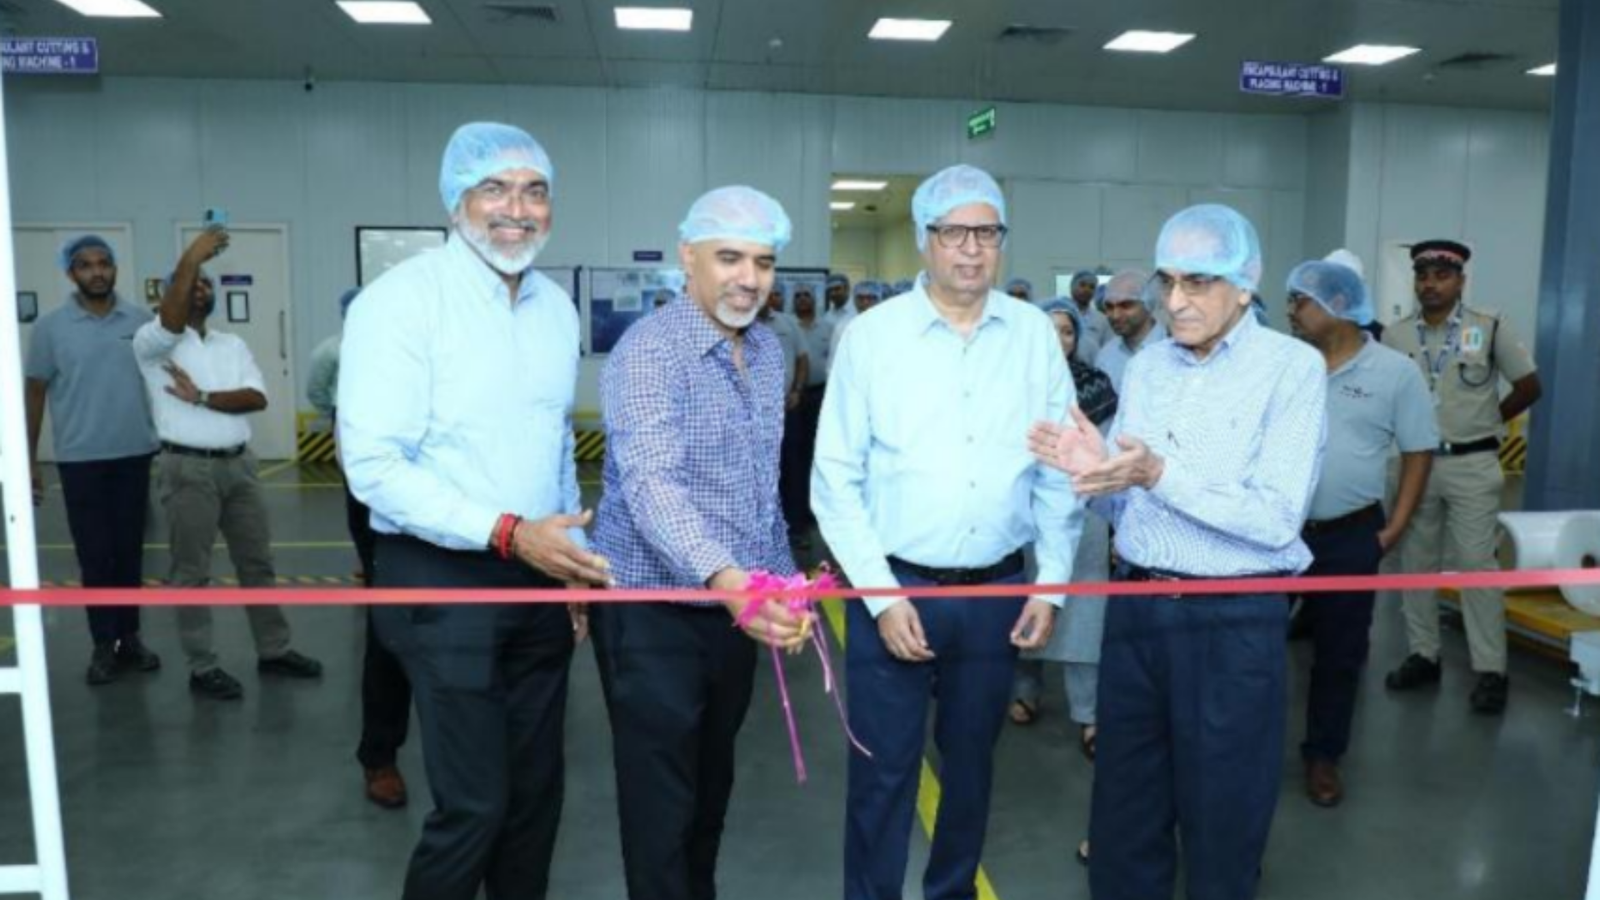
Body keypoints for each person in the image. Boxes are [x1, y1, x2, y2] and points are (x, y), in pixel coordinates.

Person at [340, 122, 606, 900]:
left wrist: (568, 561)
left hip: (538, 576)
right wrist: (507, 532)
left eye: (535, 190)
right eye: (495, 188)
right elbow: (375, 467)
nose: (516, 209)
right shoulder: (402, 304)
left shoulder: (556, 309)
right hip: (442, 581)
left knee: (535, 801)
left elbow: (553, 436)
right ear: (457, 201)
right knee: (476, 806)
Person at [1031, 204, 1326, 900]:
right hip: (1135, 613)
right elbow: (1129, 503)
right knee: (1125, 808)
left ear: (1245, 285)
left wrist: (1156, 472)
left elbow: (1278, 517)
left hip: (1231, 621)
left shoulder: (1291, 369)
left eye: (1198, 282)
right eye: (1168, 281)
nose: (1175, 301)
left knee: (1224, 816)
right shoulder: (1150, 368)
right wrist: (1093, 469)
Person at [813, 164, 1079, 900]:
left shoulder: (1031, 336)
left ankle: (951, 891)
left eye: (986, 232)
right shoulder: (872, 338)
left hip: (997, 592)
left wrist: (1050, 586)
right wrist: (880, 596)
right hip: (895, 590)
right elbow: (833, 480)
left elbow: (1058, 472)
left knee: (971, 768)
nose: (971, 249)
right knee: (883, 771)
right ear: (925, 240)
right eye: (954, 232)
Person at [591, 185, 812, 900]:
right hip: (653, 615)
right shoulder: (650, 352)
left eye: (764, 262)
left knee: (711, 790)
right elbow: (653, 485)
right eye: (730, 258)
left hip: (733, 609)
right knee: (661, 807)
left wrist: (779, 589)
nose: (749, 278)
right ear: (688, 258)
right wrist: (730, 581)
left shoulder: (770, 352)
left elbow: (760, 492)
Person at [133, 230, 323, 701]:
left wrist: (200, 396)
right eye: (191, 282)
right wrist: (190, 258)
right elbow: (172, 320)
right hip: (187, 470)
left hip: (240, 468)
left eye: (205, 282)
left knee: (257, 562)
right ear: (171, 291)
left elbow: (255, 398)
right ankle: (203, 665)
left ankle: (274, 650)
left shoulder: (231, 345)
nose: (201, 288)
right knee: (191, 571)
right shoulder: (152, 343)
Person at [1286, 259, 1436, 807]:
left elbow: (1421, 450)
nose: (1290, 311)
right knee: (1250, 641)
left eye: (1300, 300)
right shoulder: (1286, 365)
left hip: (1350, 535)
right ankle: (1241, 747)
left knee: (1340, 650)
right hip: (1275, 533)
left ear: (1338, 306)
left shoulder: (1396, 373)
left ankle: (1323, 754)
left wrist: (1394, 526)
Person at [1381, 239, 1542, 714]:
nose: (1430, 284)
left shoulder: (1488, 327)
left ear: (1460, 281)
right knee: (1416, 564)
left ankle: (1491, 670)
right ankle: (1423, 654)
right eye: (1422, 275)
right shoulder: (1395, 336)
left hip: (1472, 464)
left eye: (1441, 276)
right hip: (1415, 464)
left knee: (1476, 567)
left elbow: (1530, 385)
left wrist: (1490, 422)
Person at [25, 234, 161, 684]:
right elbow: (35, 392)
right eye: (85, 265)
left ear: (115, 269)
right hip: (81, 460)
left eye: (104, 263)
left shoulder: (140, 321)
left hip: (134, 455)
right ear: (70, 273)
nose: (96, 271)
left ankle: (130, 637)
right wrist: (28, 462)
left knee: (129, 554)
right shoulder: (50, 328)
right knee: (95, 556)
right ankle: (103, 643)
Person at [307, 286, 413, 810]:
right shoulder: (355, 368)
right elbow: (364, 465)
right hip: (388, 515)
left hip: (470, 517)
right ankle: (380, 756)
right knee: (391, 633)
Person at [760, 283, 812, 537]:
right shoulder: (737, 324)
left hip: (787, 410)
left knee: (793, 468)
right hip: (752, 416)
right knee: (758, 472)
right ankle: (764, 532)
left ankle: (797, 529)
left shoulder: (788, 322)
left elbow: (803, 359)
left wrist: (797, 391)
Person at [1095, 269, 1164, 392]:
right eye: (1109, 307)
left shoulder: (1175, 349)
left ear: (1148, 304)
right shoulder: (1106, 356)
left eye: (1126, 305)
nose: (1115, 315)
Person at [828, 279, 884, 362]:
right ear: (854, 300)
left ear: (879, 300)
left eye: (870, 298)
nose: (865, 302)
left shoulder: (888, 325)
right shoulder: (843, 327)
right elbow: (833, 361)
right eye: (861, 298)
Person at [1067, 269, 1112, 360]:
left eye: (1092, 287)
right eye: (1082, 285)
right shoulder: (1062, 315)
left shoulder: (1102, 320)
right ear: (1072, 287)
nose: (1087, 290)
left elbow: (1109, 349)